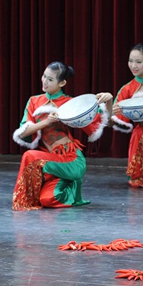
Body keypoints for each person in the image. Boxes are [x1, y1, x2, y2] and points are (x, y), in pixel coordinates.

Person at [11, 62, 111, 210]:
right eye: (44, 76)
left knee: (30, 156)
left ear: (62, 83)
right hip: (50, 160)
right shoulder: (34, 101)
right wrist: (47, 122)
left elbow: (103, 122)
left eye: (50, 79)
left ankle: (27, 200)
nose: (45, 81)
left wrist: (109, 100)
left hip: (70, 158)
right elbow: (24, 132)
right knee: (47, 199)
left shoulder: (70, 103)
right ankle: (71, 186)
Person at [112, 44, 143, 188]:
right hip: (140, 132)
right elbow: (117, 118)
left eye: (138, 62)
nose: (133, 66)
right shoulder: (127, 89)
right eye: (130, 61)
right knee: (138, 133)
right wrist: (113, 110)